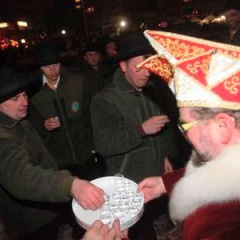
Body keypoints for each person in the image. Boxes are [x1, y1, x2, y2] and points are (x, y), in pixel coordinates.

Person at [137, 30, 240, 239]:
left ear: (223, 126)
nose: (184, 135)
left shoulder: (217, 222)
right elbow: (216, 177)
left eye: (185, 126)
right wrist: (164, 183)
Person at [90, 32, 184, 240]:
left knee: (151, 223)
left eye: (148, 66)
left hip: (153, 178)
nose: (146, 73)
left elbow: (159, 130)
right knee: (137, 233)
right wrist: (140, 130)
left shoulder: (151, 90)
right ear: (123, 66)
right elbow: (104, 145)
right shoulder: (104, 100)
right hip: (129, 184)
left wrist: (164, 157)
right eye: (139, 67)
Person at [0, 66, 105, 239]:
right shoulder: (3, 137)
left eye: (25, 95)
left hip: (50, 208)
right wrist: (70, 184)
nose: (25, 102)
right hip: (33, 221)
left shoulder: (16, 120)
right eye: (15, 98)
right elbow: (24, 177)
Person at [29, 41, 101, 180]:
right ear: (40, 68)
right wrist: (43, 126)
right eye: (47, 66)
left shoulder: (78, 81)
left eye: (55, 64)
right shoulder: (33, 93)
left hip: (86, 153)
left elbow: (91, 112)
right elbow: (30, 124)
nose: (53, 70)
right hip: (58, 160)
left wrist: (94, 143)